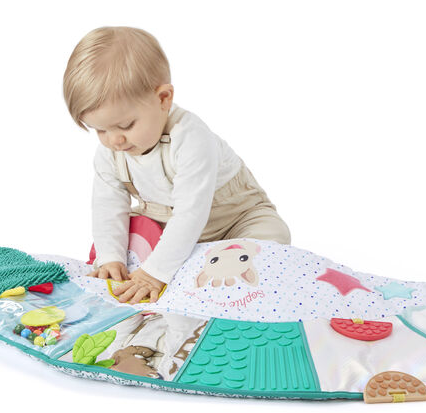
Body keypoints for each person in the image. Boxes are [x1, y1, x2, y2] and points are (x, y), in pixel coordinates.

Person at [63, 26, 290, 304]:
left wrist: (153, 273)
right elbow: (107, 206)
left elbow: (190, 212)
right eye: (100, 130)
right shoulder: (110, 152)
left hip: (235, 220)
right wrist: (110, 257)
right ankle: (189, 269)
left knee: (268, 242)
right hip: (172, 229)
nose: (114, 140)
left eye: (126, 125)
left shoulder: (191, 138)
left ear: (163, 99)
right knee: (134, 243)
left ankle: (207, 274)